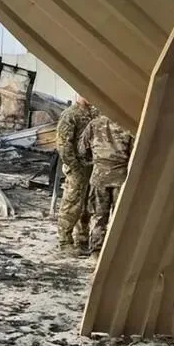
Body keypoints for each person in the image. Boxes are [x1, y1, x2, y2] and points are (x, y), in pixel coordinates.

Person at [78, 115, 134, 256]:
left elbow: (82, 150)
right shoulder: (128, 124)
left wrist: (95, 161)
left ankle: (96, 251)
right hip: (121, 177)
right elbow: (135, 153)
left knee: (98, 216)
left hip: (99, 176)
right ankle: (116, 251)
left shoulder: (94, 124)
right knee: (120, 217)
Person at [56, 95, 97, 256]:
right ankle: (65, 241)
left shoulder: (94, 113)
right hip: (77, 167)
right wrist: (74, 166)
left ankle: (82, 239)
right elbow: (63, 144)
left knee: (87, 205)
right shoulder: (70, 114)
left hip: (91, 166)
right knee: (72, 204)